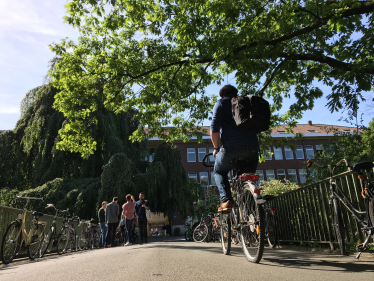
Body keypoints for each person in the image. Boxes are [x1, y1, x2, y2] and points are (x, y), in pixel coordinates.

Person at [211, 85, 259, 212]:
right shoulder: (246, 104)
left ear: (222, 95)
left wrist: (216, 148)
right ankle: (254, 217)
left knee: (218, 171)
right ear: (235, 93)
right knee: (244, 180)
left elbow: (214, 130)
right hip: (253, 149)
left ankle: (226, 200)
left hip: (231, 150)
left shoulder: (221, 103)